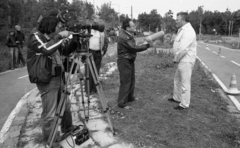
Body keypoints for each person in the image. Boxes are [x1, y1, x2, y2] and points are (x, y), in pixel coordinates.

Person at [27, 16, 75, 147]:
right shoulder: (35, 36)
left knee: (66, 105)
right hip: (47, 79)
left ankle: (67, 128)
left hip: (58, 76)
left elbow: (63, 51)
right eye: (58, 26)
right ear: (50, 26)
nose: (60, 28)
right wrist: (59, 36)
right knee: (50, 113)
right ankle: (50, 140)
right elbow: (47, 49)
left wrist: (74, 41)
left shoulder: (51, 38)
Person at [117, 18, 151, 109]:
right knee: (125, 81)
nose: (135, 26)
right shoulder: (124, 36)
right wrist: (147, 46)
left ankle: (130, 97)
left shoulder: (129, 34)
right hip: (124, 61)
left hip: (130, 60)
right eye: (132, 25)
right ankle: (122, 103)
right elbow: (133, 48)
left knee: (131, 80)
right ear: (127, 28)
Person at [168, 12, 197, 110]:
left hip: (185, 60)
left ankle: (184, 104)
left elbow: (184, 49)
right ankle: (177, 97)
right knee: (177, 80)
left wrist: (176, 59)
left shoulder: (188, 31)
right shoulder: (182, 30)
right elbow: (179, 44)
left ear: (183, 20)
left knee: (185, 83)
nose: (176, 21)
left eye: (177, 20)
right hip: (181, 60)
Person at [85, 14, 109, 95]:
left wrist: (103, 51)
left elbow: (106, 41)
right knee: (88, 71)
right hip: (90, 52)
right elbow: (84, 40)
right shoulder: (89, 28)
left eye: (98, 18)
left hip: (98, 53)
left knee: (96, 71)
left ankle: (95, 89)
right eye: (95, 18)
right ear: (93, 19)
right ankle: (88, 89)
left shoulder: (102, 29)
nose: (97, 19)